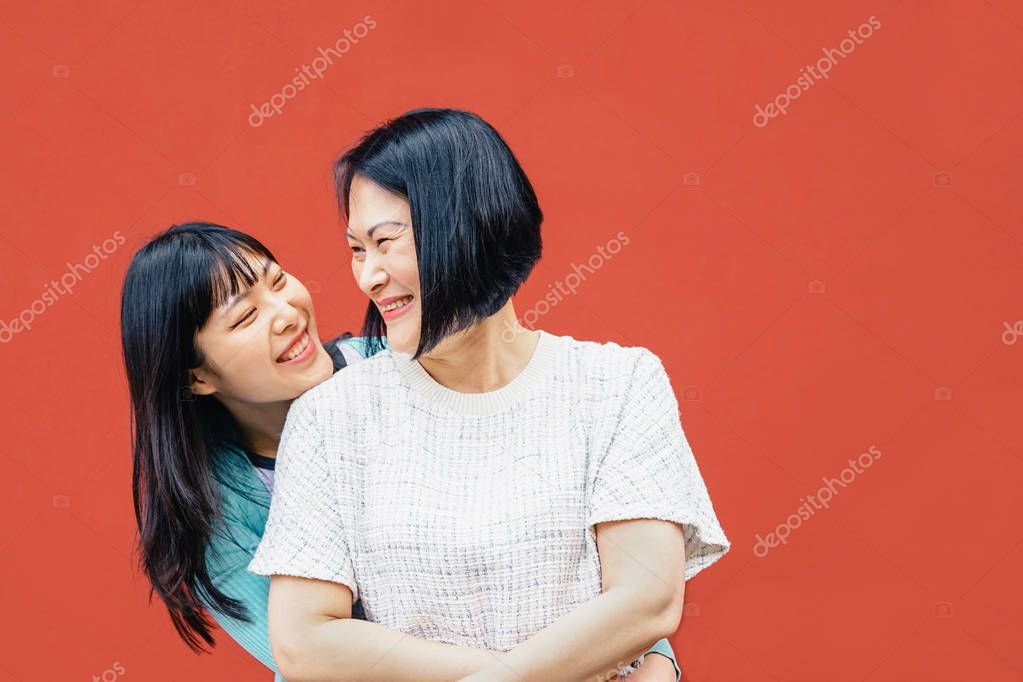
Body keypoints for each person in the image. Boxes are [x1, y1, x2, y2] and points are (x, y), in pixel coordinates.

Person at [249, 108, 730, 682]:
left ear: (468, 226)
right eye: (357, 249)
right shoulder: (330, 418)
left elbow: (647, 599)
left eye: (386, 242)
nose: (368, 277)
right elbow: (305, 643)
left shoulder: (617, 385)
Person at [120, 222, 681, 682]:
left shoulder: (411, 356)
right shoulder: (207, 516)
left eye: (278, 280)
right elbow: (324, 661)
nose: (287, 312)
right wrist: (553, 673)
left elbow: (578, 543)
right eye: (244, 317)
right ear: (194, 376)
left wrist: (651, 658)